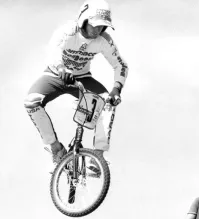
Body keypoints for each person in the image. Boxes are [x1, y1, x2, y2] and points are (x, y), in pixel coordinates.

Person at [24, 0, 128, 168]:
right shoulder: (68, 31)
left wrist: (117, 88)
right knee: (31, 101)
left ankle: (97, 157)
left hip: (82, 78)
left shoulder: (104, 40)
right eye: (95, 25)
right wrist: (60, 68)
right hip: (55, 75)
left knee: (106, 103)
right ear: (84, 20)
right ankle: (56, 148)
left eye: (102, 26)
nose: (98, 30)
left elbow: (120, 65)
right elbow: (53, 50)